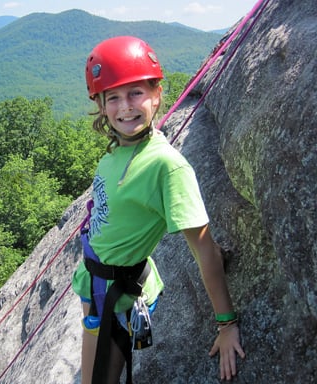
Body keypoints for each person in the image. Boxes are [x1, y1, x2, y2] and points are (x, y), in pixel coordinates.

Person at [71, 36, 245, 384]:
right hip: (94, 283)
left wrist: (227, 325)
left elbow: (204, 248)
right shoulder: (116, 150)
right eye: (113, 97)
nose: (125, 107)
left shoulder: (166, 166)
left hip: (118, 297)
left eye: (136, 92)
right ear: (101, 105)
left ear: (156, 94)